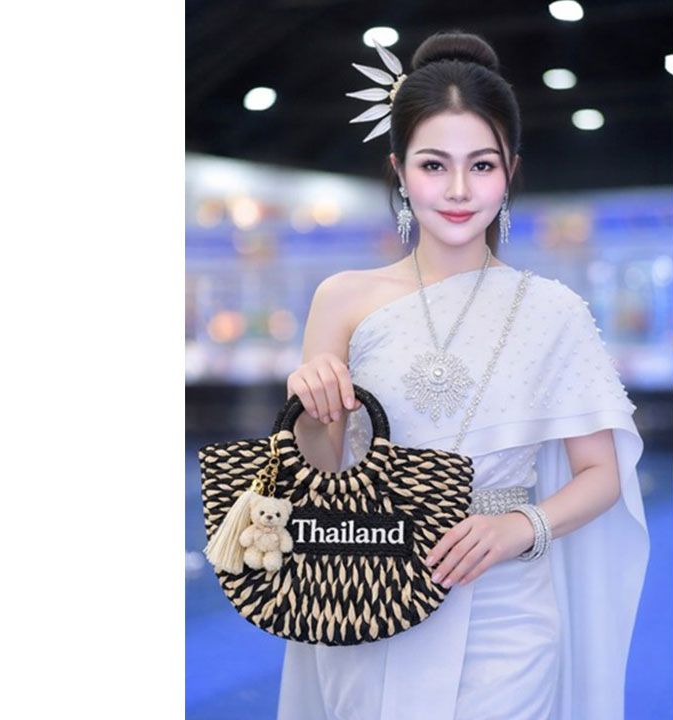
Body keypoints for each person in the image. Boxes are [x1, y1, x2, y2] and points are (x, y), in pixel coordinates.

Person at [276, 30, 649, 720]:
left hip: (505, 606)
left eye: (481, 165)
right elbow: (320, 470)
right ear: (399, 170)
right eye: (433, 165)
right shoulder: (343, 299)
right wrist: (316, 404)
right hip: (368, 587)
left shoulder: (553, 310)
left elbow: (601, 474)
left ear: (510, 170)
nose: (457, 190)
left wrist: (519, 526)